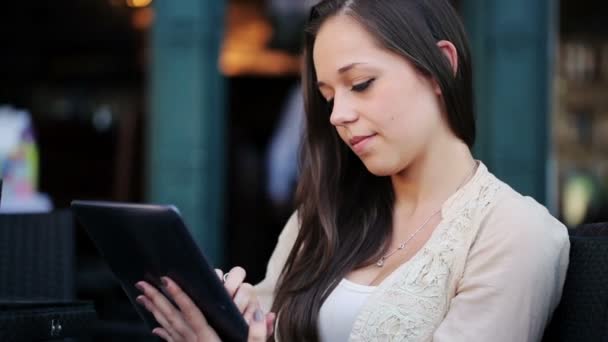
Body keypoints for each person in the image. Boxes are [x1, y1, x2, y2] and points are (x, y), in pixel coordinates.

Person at [134, 0, 570, 341]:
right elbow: (261, 322)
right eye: (327, 97)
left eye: (361, 84)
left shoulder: (516, 232)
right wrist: (231, 318)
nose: (338, 114)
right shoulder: (321, 217)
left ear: (441, 67)